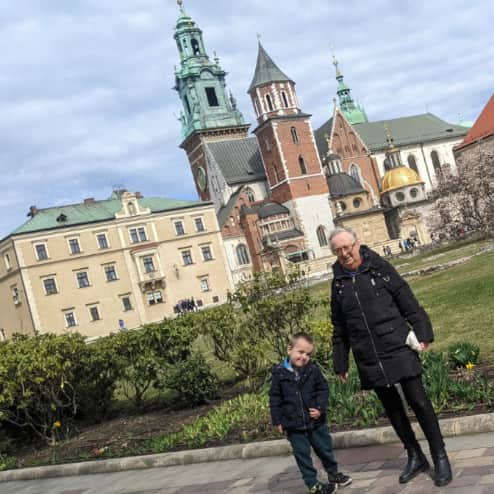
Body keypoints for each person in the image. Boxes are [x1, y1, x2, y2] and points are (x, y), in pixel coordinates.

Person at [329, 227, 452, 487]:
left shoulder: (379, 268)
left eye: (347, 247)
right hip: (367, 352)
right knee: (393, 409)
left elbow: (405, 298)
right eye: (338, 250)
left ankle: (439, 455)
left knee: (418, 401)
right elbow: (339, 326)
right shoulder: (338, 283)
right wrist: (340, 361)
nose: (344, 253)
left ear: (357, 243)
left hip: (395, 343)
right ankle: (415, 455)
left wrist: (423, 332)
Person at [269, 332, 352, 494]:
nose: (304, 357)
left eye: (308, 354)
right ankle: (312, 484)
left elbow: (323, 389)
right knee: (302, 455)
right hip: (293, 424)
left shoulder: (312, 370)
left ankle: (333, 473)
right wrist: (277, 420)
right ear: (289, 350)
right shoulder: (279, 374)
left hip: (316, 422)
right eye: (300, 352)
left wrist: (320, 408)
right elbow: (275, 398)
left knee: (324, 448)